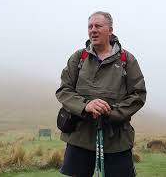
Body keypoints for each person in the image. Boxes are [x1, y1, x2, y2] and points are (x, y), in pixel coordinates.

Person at [56, 11, 146, 177]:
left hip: (116, 140)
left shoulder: (127, 60)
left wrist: (110, 112)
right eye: (90, 26)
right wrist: (86, 106)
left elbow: (138, 94)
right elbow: (64, 90)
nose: (93, 30)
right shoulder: (78, 57)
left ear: (110, 30)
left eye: (98, 26)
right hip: (80, 138)